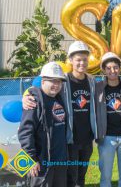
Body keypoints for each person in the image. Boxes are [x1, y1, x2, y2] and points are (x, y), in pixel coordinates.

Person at [22, 41, 97, 187]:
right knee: (70, 178)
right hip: (69, 140)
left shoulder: (92, 81)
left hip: (86, 139)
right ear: (70, 60)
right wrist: (26, 95)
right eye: (78, 59)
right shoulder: (64, 80)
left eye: (84, 59)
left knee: (80, 176)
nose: (82, 63)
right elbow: (39, 87)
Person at [18, 62, 67, 187]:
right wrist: (31, 159)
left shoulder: (59, 99)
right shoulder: (33, 102)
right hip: (41, 163)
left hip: (59, 162)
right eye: (52, 81)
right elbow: (25, 132)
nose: (56, 85)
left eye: (59, 81)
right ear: (43, 81)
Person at [95, 52, 121, 187]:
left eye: (115, 67)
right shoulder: (97, 88)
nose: (113, 71)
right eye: (109, 68)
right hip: (106, 138)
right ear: (104, 70)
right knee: (105, 176)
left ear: (120, 68)